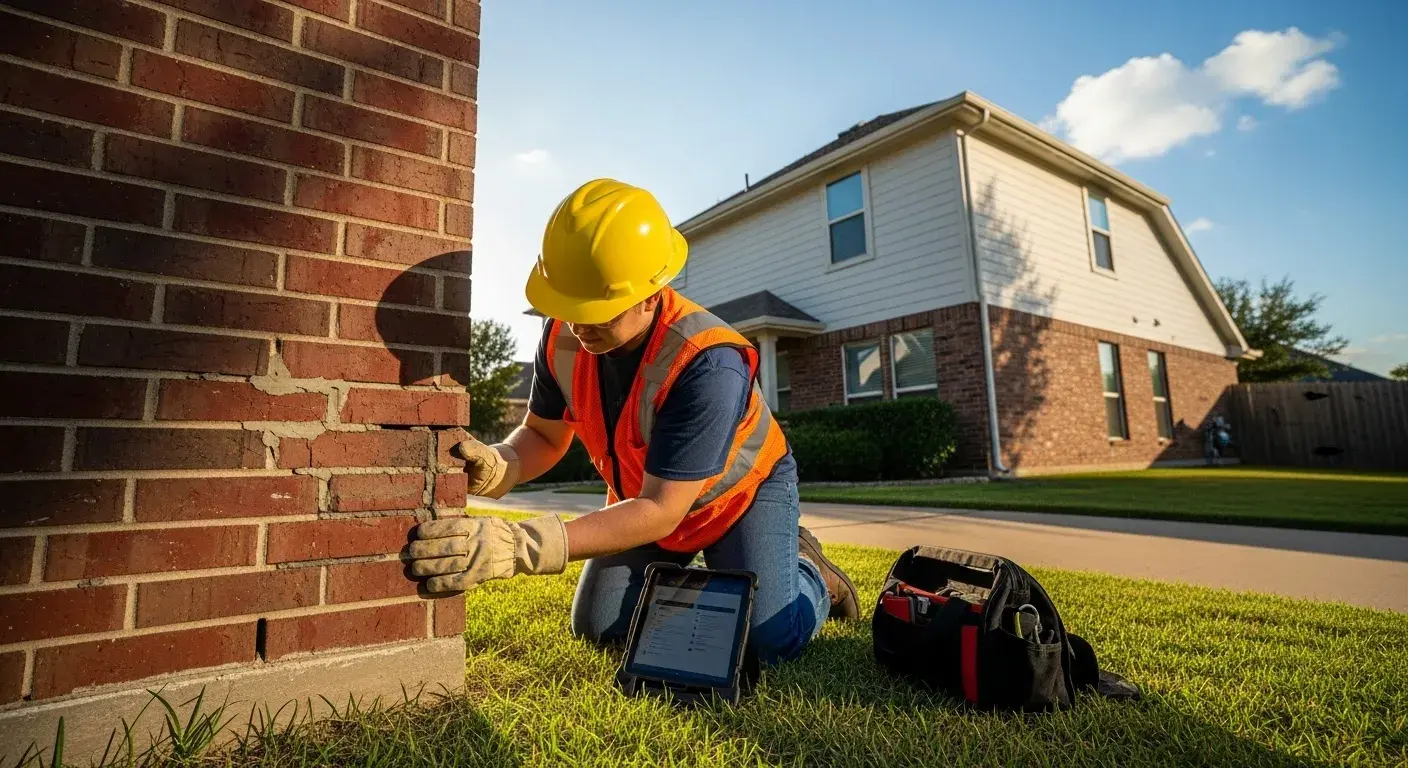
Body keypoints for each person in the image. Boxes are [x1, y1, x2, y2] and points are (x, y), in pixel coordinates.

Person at [406, 178, 860, 664]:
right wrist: (502, 464)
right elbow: (542, 433)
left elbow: (662, 509)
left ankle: (811, 576)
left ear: (652, 293)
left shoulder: (708, 361)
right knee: (600, 628)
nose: (579, 325)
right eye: (569, 307)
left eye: (597, 310)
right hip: (645, 503)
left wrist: (520, 545)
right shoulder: (562, 336)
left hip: (739, 500)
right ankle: (732, 581)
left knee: (767, 639)